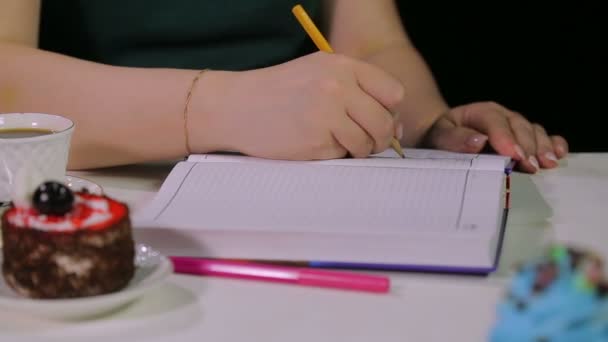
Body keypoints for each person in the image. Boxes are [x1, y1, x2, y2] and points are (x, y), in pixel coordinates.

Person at [0, 0, 568, 173]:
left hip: (296, 183)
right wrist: (225, 107)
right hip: (104, 188)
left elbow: (370, 43)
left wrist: (421, 123)